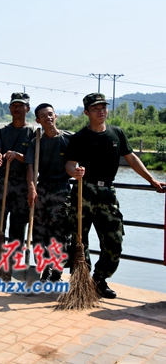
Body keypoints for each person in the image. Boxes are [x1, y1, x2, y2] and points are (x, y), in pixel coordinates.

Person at [65, 93, 166, 299]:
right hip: (84, 191)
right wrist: (74, 172)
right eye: (95, 108)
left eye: (103, 107)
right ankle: (80, 282)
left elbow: (131, 158)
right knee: (79, 240)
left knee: (114, 240)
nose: (101, 111)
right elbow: (69, 164)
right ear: (86, 112)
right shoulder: (79, 137)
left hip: (107, 193)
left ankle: (99, 280)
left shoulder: (116, 133)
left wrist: (151, 180)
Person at [25, 102, 72, 282]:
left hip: (61, 188)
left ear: (56, 116)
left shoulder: (68, 139)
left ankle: (57, 272)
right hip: (42, 188)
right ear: (38, 120)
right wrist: (32, 187)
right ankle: (43, 269)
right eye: (43, 116)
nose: (48, 118)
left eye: (50, 114)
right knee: (39, 232)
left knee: (59, 232)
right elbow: (30, 167)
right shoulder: (36, 142)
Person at [0, 92, 34, 245]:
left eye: (20, 105)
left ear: (27, 108)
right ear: (9, 108)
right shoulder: (2, 131)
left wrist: (18, 155)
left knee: (18, 223)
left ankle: (15, 257)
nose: (17, 108)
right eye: (14, 105)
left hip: (23, 180)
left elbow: (34, 160)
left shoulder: (33, 133)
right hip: (4, 179)